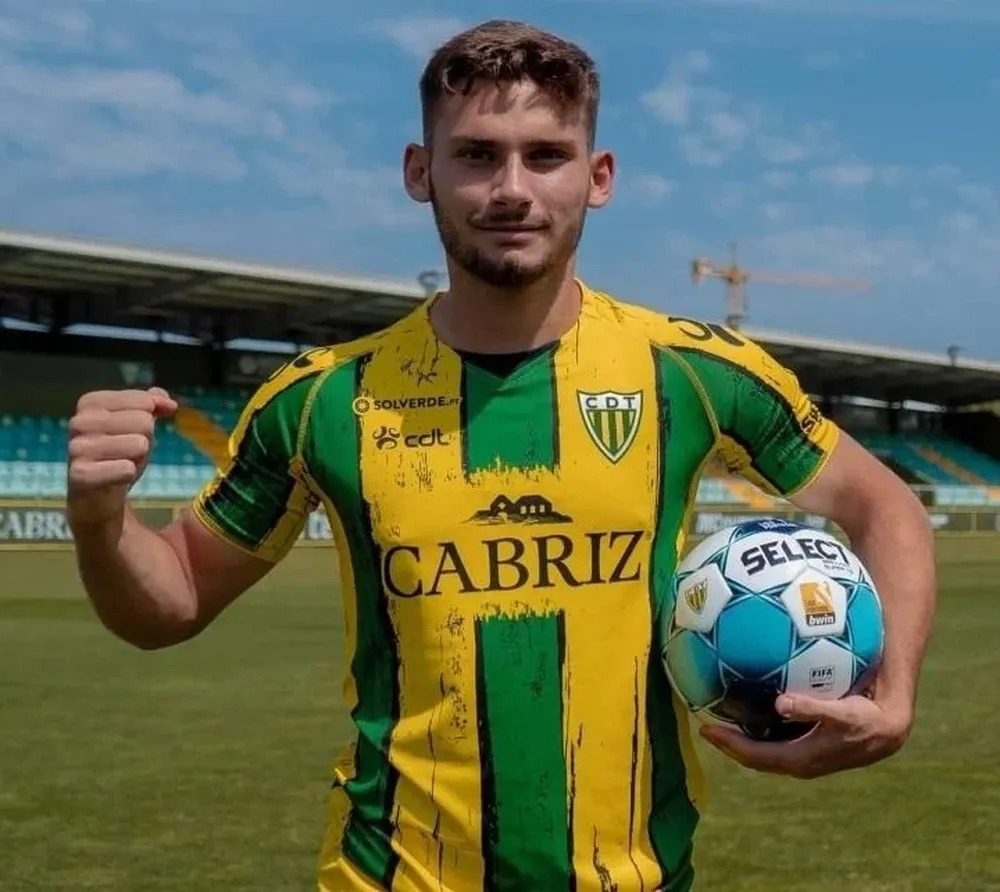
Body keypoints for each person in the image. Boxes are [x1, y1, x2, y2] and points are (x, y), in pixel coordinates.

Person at [66, 19, 936, 892]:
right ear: (421, 172)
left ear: (598, 178)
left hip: (639, 875)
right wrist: (101, 518)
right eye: (477, 154)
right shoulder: (320, 399)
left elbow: (882, 505)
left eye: (545, 155)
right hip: (389, 876)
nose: (511, 189)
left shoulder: (696, 373)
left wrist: (892, 695)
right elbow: (169, 602)